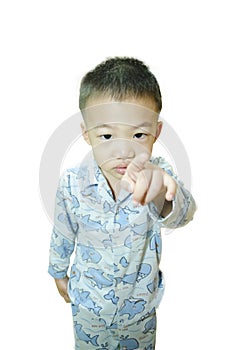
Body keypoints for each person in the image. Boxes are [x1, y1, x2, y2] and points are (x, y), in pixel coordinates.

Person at [48, 57, 196, 349]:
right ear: (86, 134)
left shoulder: (159, 174)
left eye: (139, 135)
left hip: (139, 312)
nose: (124, 149)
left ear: (157, 132)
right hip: (88, 307)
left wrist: (161, 193)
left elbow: (184, 214)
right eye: (106, 135)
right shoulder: (70, 183)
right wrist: (57, 272)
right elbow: (62, 233)